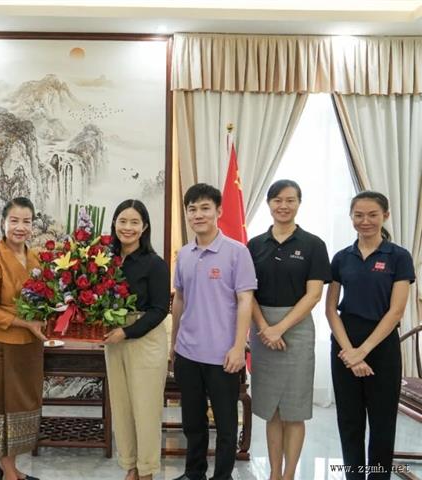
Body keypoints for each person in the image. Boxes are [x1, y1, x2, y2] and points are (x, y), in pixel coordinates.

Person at [325, 191, 415, 480]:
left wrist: (361, 351)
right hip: (344, 344)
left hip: (381, 346)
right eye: (359, 215)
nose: (365, 221)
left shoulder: (399, 257)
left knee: (382, 423)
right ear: (351, 217)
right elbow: (330, 310)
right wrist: (349, 350)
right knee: (349, 421)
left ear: (385, 216)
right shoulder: (342, 258)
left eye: (372, 215)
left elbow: (396, 311)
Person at [170, 183, 257, 480]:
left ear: (219, 211)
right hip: (188, 353)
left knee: (226, 424)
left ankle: (223, 476)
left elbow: (246, 300)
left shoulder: (237, 252)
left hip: (224, 355)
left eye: (205, 208)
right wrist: (174, 344)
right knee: (192, 422)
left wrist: (238, 347)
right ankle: (194, 473)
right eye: (192, 209)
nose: (198, 214)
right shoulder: (184, 254)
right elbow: (179, 299)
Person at [246, 180, 331, 480]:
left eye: (290, 200)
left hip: (296, 329)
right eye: (277, 200)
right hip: (261, 329)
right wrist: (264, 328)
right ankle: (274, 472)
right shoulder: (254, 245)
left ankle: (290, 473)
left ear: (299, 203)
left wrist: (279, 328)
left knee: (294, 410)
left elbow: (314, 295)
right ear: (268, 203)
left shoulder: (313, 244)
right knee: (271, 409)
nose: (284, 205)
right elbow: (247, 293)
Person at [0, 197, 46, 480]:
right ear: (3, 223)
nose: (20, 227)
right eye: (14, 221)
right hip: (0, 345)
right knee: (1, 408)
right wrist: (24, 322)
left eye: (26, 221)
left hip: (30, 346)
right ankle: (10, 473)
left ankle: (9, 469)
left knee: (21, 408)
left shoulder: (36, 258)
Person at [103, 199, 170, 480]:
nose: (127, 227)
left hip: (144, 340)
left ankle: (147, 471)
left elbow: (159, 309)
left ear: (144, 228)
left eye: (134, 222)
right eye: (122, 221)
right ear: (115, 224)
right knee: (122, 408)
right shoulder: (104, 260)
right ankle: (130, 466)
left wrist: (127, 332)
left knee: (145, 410)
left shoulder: (154, 263)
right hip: (114, 340)